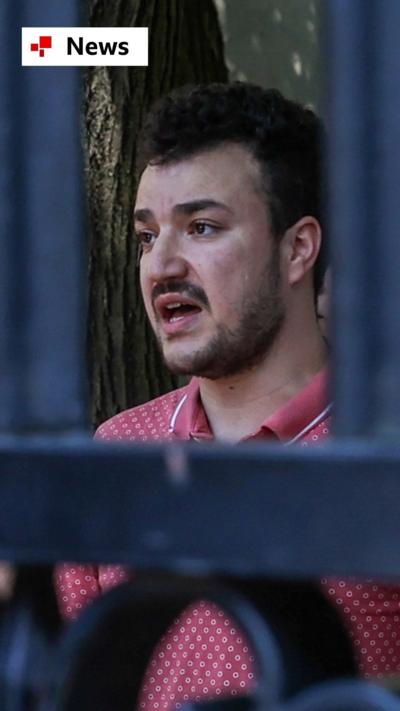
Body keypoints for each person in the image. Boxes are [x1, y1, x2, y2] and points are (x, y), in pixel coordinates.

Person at [56, 83, 400, 708]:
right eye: (146, 236)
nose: (161, 266)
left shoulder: (381, 450)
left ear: (298, 248)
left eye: (203, 227)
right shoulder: (115, 455)